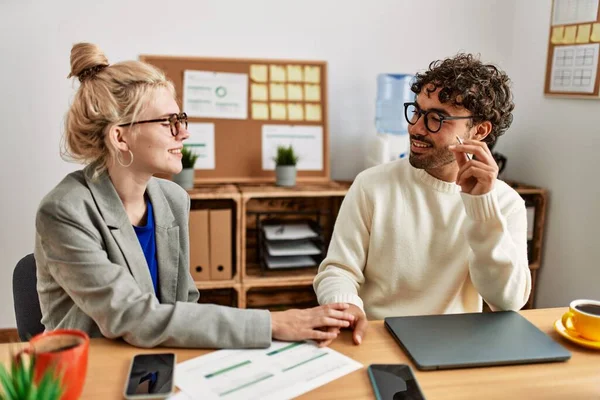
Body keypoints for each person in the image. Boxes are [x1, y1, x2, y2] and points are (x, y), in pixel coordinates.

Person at [34, 43, 354, 349]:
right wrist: (271, 323)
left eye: (181, 119)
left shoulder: (172, 199)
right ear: (120, 136)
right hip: (90, 367)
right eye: (167, 122)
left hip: (157, 356)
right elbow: (131, 317)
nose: (183, 133)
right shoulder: (64, 211)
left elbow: (185, 303)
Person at [313, 53, 531, 346]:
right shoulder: (371, 185)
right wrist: (346, 305)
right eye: (417, 112)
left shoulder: (505, 204)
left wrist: (482, 207)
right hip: (375, 338)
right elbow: (338, 269)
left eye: (436, 119)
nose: (416, 128)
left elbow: (507, 302)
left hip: (456, 346)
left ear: (479, 131)